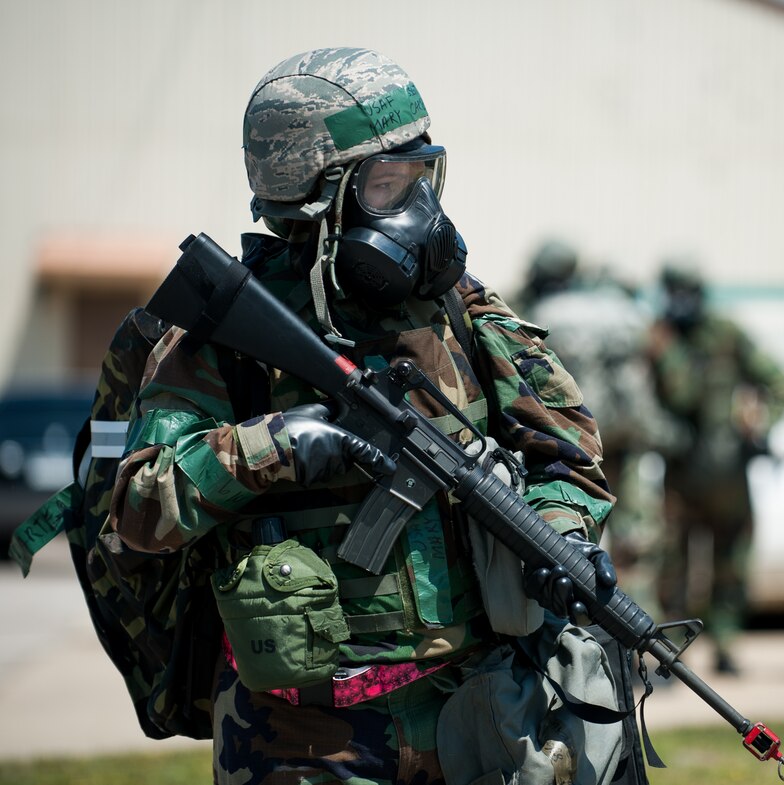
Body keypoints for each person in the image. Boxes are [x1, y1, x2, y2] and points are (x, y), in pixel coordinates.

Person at [106, 47, 624, 785]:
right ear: (318, 195)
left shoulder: (459, 311)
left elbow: (568, 451)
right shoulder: (222, 337)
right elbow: (137, 509)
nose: (418, 209)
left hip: (473, 714)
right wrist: (274, 446)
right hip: (299, 736)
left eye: (421, 178)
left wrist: (558, 538)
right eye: (388, 184)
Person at [519, 242, 678, 621]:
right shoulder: (626, 314)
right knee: (636, 539)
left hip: (574, 442)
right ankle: (641, 626)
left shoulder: (545, 314)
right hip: (627, 439)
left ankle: (585, 629)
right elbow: (663, 373)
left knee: (573, 531)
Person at [646, 260, 784, 674]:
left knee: (730, 565)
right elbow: (675, 397)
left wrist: (760, 427)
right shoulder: (660, 337)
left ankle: (725, 644)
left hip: (727, 473)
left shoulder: (726, 333)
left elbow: (778, 381)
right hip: (682, 472)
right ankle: (672, 652)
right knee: (673, 566)